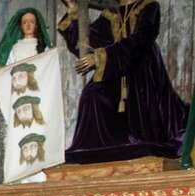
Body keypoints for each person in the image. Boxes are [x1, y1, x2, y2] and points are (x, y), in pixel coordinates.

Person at [59, 0, 189, 164]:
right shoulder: (111, 14)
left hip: (141, 66)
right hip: (115, 67)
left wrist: (101, 57)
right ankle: (101, 149)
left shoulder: (148, 6)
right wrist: (73, 10)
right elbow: (88, 43)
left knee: (138, 96)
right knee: (91, 94)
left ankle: (138, 142)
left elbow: (142, 39)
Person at [0, 8, 52, 184]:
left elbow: (48, 71)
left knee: (36, 131)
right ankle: (19, 172)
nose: (28, 25)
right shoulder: (15, 48)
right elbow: (9, 72)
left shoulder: (44, 48)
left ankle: (35, 170)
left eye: (32, 22)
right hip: (19, 97)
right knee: (18, 133)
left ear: (37, 25)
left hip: (37, 95)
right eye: (25, 22)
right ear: (21, 26)